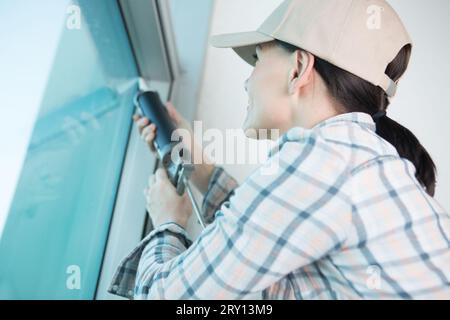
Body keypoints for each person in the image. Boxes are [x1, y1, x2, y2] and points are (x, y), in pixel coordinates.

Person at [109, 0, 450, 299]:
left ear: (299, 68)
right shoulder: (355, 159)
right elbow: (267, 232)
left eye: (257, 59)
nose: (247, 80)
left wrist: (169, 219)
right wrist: (194, 162)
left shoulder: (319, 163)